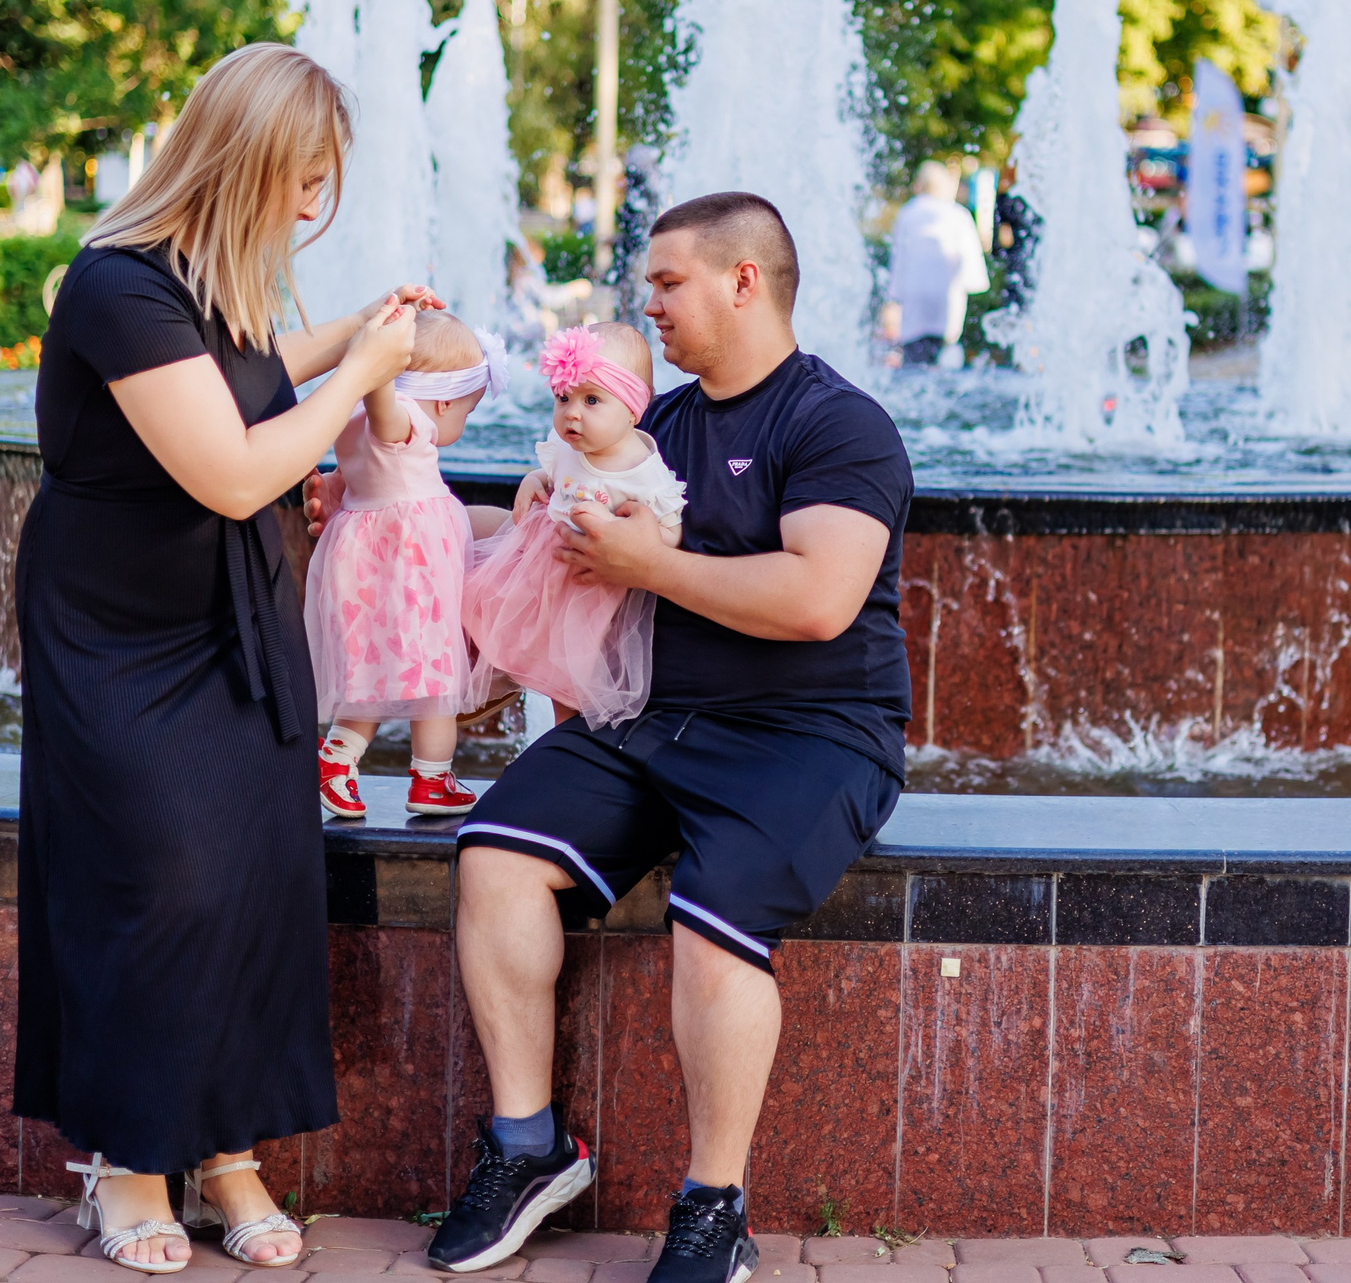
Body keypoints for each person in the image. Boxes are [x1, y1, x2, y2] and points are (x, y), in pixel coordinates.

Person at [431, 192, 912, 1283]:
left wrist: (650, 565)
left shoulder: (837, 424)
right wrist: (413, 518)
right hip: (655, 718)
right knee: (495, 854)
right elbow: (564, 539)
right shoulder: (657, 426)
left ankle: (712, 1207)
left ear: (743, 281)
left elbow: (818, 599)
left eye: (667, 282)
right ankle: (528, 1147)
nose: (646, 303)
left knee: (712, 918)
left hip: (813, 732)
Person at [17, 41, 435, 1273]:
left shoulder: (210, 286)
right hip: (118, 631)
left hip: (235, 609)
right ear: (241, 164)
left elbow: (246, 378)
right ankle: (128, 1165)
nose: (310, 208)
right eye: (301, 180)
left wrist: (362, 329)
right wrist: (359, 374)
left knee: (255, 878)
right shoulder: (117, 285)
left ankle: (226, 1153)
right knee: (151, 881)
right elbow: (234, 470)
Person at [303, 311, 507, 823]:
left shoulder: (352, 421)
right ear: (444, 402)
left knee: (372, 670)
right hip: (411, 566)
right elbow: (387, 414)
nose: (460, 425)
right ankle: (432, 779)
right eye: (466, 412)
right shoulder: (405, 421)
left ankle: (337, 759)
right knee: (435, 675)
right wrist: (380, 371)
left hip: (369, 560)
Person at [463, 323, 688, 725]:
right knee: (480, 614)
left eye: (592, 400)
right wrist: (534, 480)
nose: (572, 413)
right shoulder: (567, 446)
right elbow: (553, 473)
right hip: (533, 568)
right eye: (563, 397)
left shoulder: (641, 471)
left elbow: (671, 530)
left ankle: (564, 739)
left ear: (633, 408)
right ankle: (476, 695)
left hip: (586, 589)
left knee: (567, 680)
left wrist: (640, 543)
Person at [887, 160, 988, 367]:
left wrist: (894, 295)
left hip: (915, 291)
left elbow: (899, 256)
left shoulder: (908, 212)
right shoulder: (958, 214)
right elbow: (971, 259)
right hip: (947, 292)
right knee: (945, 350)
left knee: (915, 354)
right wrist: (973, 285)